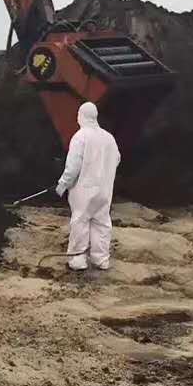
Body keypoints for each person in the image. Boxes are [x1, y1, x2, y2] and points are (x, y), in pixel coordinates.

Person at [55, 102, 121, 271]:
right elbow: (117, 159)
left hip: (84, 189)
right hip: (104, 190)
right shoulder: (109, 138)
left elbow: (73, 167)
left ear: (81, 116)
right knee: (102, 223)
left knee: (80, 221)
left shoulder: (80, 137)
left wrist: (63, 184)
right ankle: (101, 259)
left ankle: (78, 260)